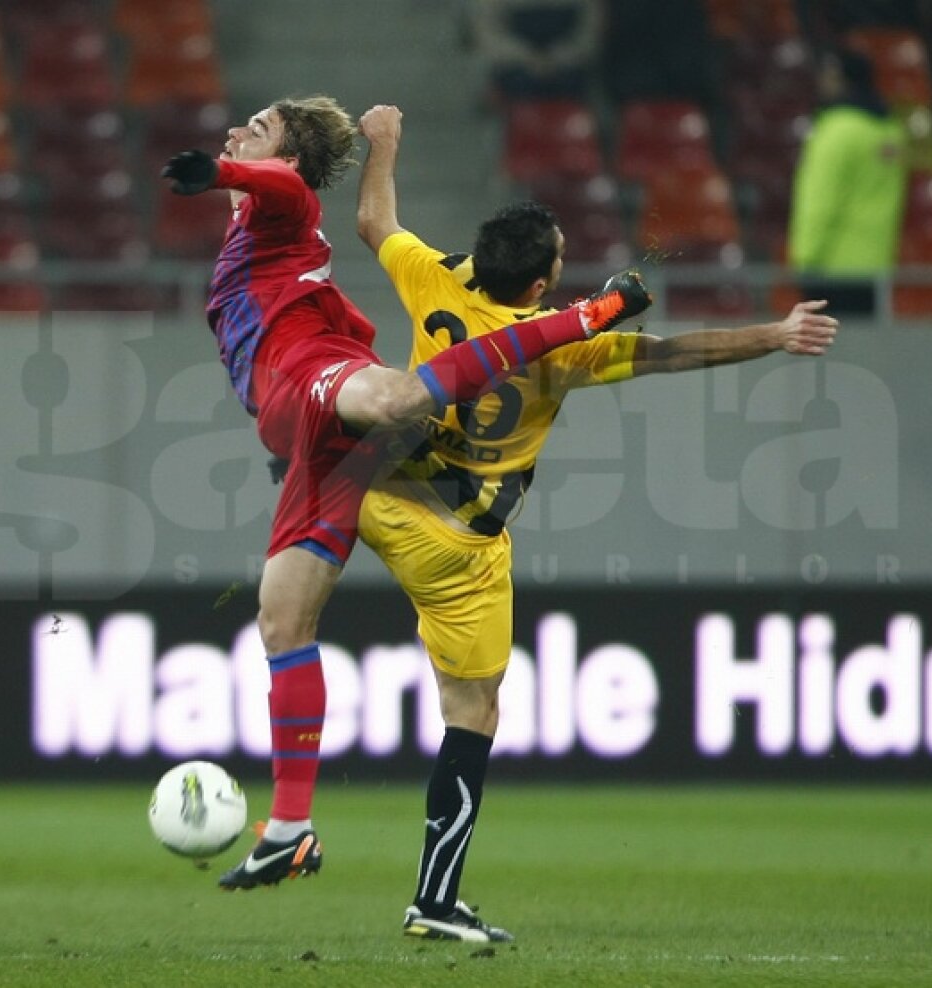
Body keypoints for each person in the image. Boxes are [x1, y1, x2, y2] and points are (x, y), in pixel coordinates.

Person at [355, 103, 839, 942]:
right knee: (472, 713)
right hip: (459, 544)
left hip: (377, 496)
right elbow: (671, 354)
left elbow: (373, 219)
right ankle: (432, 901)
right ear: (541, 288)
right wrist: (774, 333)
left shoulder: (432, 275)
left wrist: (387, 141)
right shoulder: (558, 347)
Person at [159, 95, 651, 893]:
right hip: (308, 437)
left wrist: (220, 172)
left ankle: (586, 317)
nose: (235, 133)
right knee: (282, 620)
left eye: (257, 130)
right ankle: (289, 829)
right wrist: (234, 172)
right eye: (238, 130)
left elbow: (291, 191)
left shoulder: (281, 206)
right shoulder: (253, 217)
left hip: (313, 370)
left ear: (283, 159)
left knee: (394, 401)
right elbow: (313, 198)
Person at [787, 47, 907, 318]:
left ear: (845, 80)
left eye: (829, 75)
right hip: (875, 266)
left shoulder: (836, 131)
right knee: (863, 357)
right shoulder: (889, 132)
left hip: (831, 268)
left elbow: (820, 200)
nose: (822, 81)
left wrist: (806, 258)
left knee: (831, 357)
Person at [470, 0, 603, 102]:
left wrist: (557, 58)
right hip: (515, 73)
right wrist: (527, 57)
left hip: (570, 72)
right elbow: (488, 34)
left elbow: (590, 33)